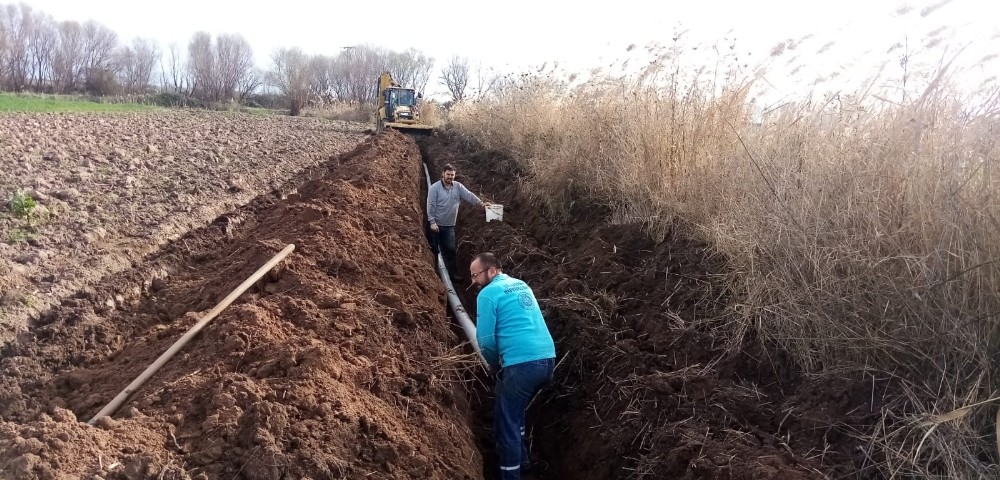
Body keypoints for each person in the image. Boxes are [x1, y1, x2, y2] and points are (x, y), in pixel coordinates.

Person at [470, 252, 556, 480]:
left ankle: (510, 475)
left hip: (521, 365)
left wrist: (494, 365)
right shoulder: (520, 284)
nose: (473, 281)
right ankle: (524, 461)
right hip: (547, 359)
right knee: (514, 411)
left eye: (475, 275)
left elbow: (486, 340)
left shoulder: (487, 294)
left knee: (507, 422)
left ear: (491, 271)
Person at [426, 163, 488, 280]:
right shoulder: (435, 188)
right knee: (433, 250)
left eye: (452, 175)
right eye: (448, 174)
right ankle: (433, 276)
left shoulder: (458, 187)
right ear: (443, 174)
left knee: (450, 251)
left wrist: (481, 204)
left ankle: (452, 275)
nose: (450, 177)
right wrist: (432, 222)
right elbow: (430, 205)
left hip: (449, 225)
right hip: (435, 225)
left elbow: (469, 196)